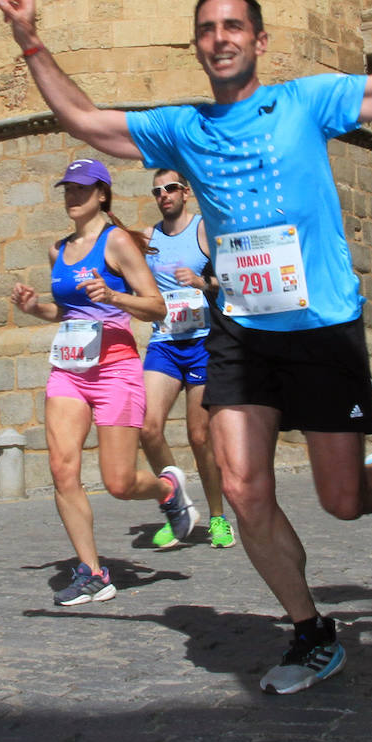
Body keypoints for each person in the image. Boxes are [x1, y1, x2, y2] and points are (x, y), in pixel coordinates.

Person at [0, 0, 372, 693]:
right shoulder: (181, 127)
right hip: (242, 332)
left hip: (323, 329)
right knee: (246, 487)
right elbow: (87, 121)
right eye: (208, 29)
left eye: (233, 26)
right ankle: (312, 633)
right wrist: (30, 42)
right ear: (199, 46)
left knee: (339, 501)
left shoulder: (307, 101)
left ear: (258, 40)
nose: (220, 38)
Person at [10, 158, 199, 606]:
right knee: (62, 468)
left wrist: (113, 295)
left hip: (115, 365)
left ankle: (168, 489)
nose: (71, 197)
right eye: (66, 189)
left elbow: (156, 307)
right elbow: (66, 311)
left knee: (119, 482)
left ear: (101, 194)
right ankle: (92, 571)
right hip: (70, 368)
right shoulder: (58, 250)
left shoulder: (117, 243)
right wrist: (35, 307)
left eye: (80, 189)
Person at [139, 168, 235, 550]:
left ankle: (217, 517)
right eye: (157, 191)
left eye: (171, 188)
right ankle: (177, 508)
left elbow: (231, 281)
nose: (164, 195)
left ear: (186, 192)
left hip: (201, 342)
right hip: (164, 341)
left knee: (200, 437)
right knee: (148, 429)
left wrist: (202, 283)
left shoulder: (202, 231)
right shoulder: (148, 238)